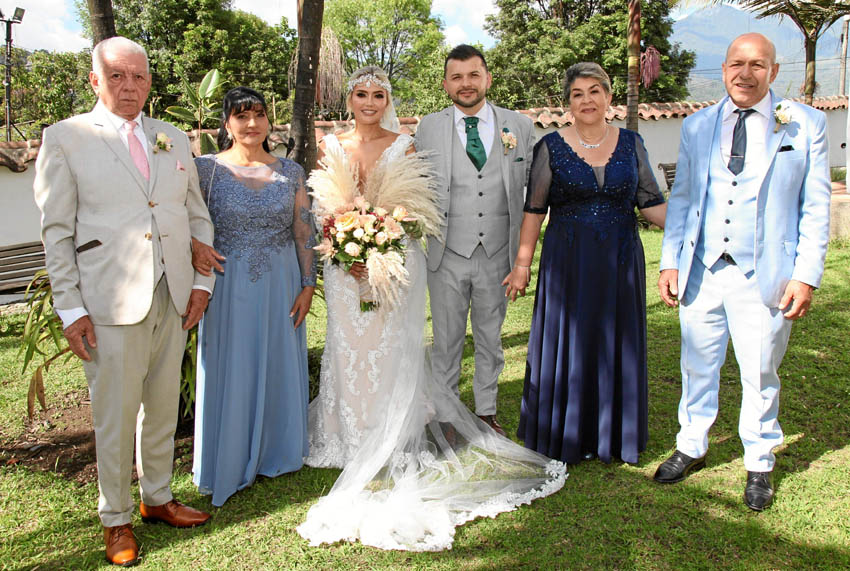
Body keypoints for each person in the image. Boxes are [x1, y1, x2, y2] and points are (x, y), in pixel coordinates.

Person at [298, 66, 566, 552]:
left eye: (379, 95)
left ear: (388, 101)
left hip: (396, 262)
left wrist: (380, 245)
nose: (370, 102)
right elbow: (320, 209)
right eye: (361, 94)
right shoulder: (329, 145)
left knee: (392, 344)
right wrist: (343, 243)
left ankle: (396, 427)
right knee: (348, 344)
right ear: (350, 99)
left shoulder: (405, 144)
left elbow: (414, 209)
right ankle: (346, 432)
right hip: (342, 265)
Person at [33, 37, 214, 566]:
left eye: (138, 76)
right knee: (114, 415)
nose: (129, 86)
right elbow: (56, 232)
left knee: (162, 405)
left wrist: (201, 285)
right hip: (108, 301)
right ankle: (115, 518)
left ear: (149, 81)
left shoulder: (172, 137)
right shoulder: (65, 138)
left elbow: (195, 214)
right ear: (95, 80)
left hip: (172, 294)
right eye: (116, 75)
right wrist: (71, 309)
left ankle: (157, 497)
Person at [653, 33, 831, 512]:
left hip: (766, 273)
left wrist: (806, 275)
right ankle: (691, 444)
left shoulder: (805, 124)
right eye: (736, 63)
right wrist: (670, 261)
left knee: (760, 369)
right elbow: (683, 199)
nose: (745, 73)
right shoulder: (697, 125)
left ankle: (759, 459)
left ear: (773, 71)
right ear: (724, 69)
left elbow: (815, 207)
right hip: (702, 268)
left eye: (756, 64)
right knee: (696, 363)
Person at [503, 62, 667, 465]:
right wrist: (522, 264)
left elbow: (650, 203)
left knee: (616, 341)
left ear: (609, 97)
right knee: (570, 342)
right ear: (568, 103)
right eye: (578, 94)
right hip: (567, 263)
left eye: (595, 91)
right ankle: (566, 434)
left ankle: (613, 434)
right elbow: (534, 210)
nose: (587, 100)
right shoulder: (550, 147)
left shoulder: (632, 143)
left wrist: (698, 227)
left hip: (620, 262)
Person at [189, 87, 316, 506]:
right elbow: (186, 222)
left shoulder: (291, 171)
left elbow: (303, 230)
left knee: (278, 359)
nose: (252, 124)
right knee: (233, 362)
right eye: (241, 116)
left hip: (281, 281)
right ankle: (229, 454)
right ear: (226, 123)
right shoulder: (205, 170)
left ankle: (278, 450)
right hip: (227, 284)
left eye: (259, 114)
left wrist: (308, 283)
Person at [415, 45, 535, 436]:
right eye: (456, 77)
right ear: (445, 84)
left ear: (487, 78)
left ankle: (486, 411)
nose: (465, 84)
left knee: (490, 337)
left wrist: (523, 256)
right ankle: (447, 415)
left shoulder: (519, 125)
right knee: (446, 339)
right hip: (446, 251)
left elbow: (533, 189)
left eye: (473, 75)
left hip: (498, 253)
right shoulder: (428, 128)